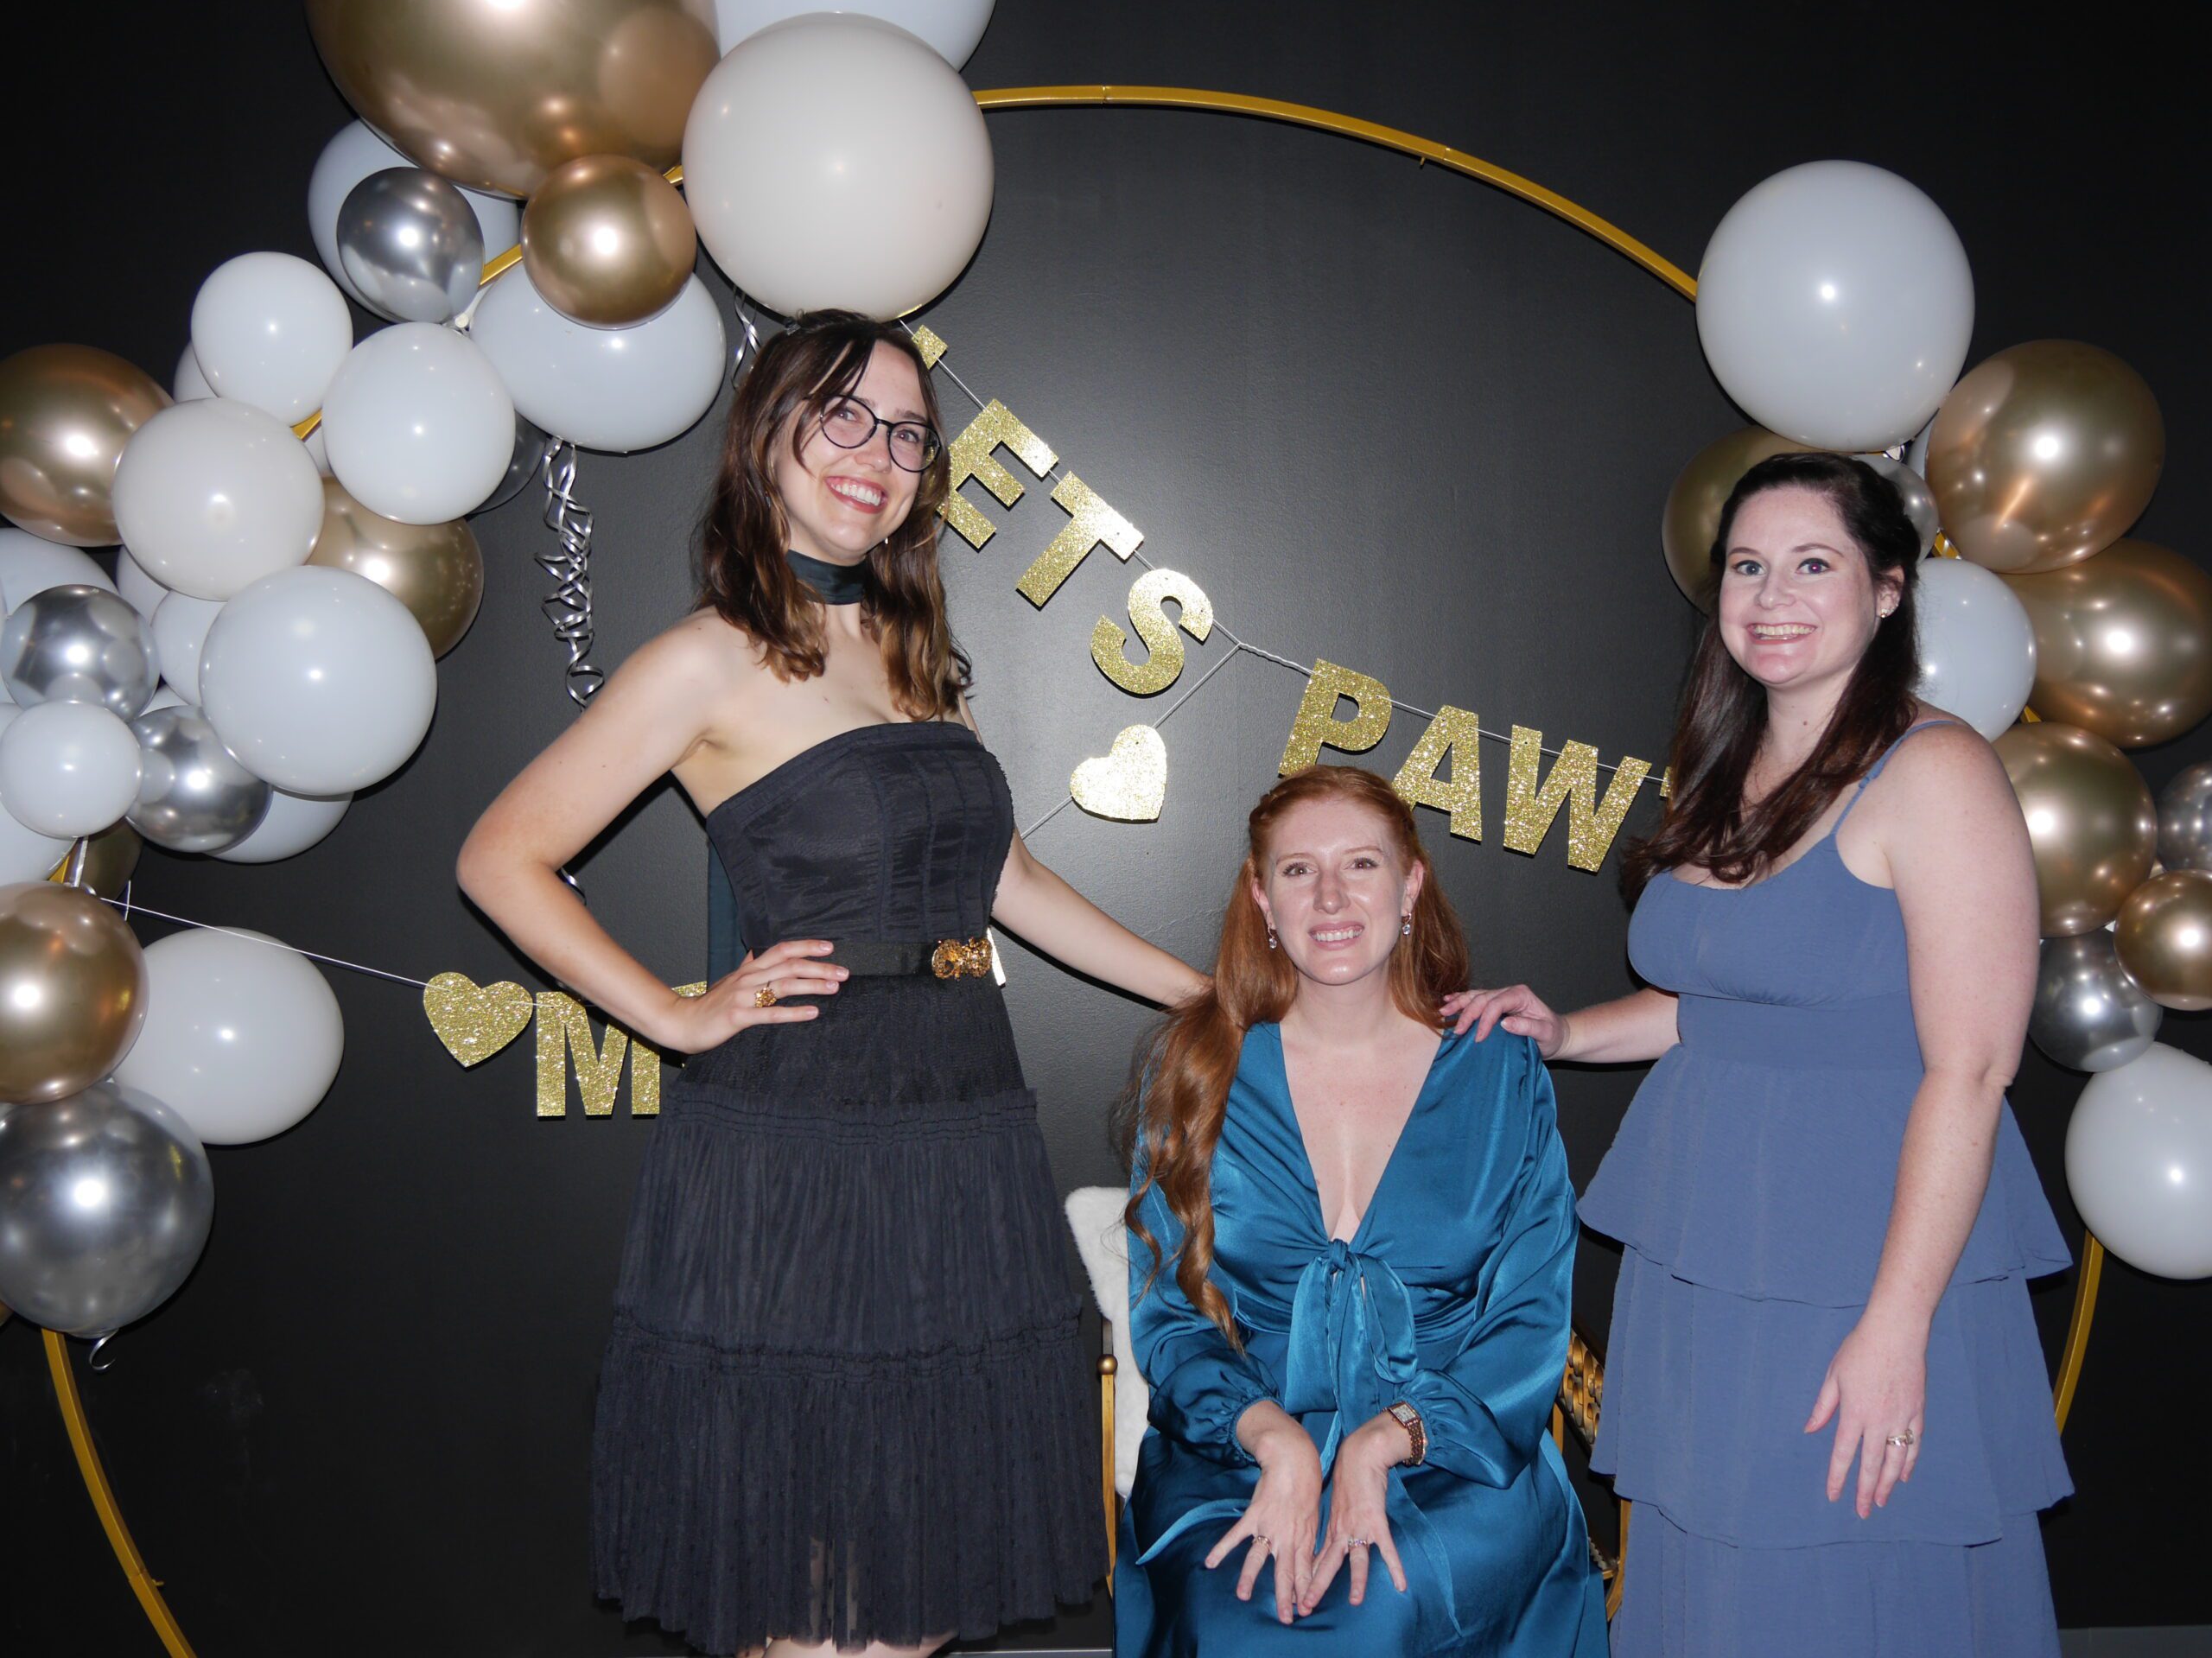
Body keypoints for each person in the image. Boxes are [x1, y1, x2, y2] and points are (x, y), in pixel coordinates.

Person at [457, 311, 1206, 1658]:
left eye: (907, 432)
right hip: (801, 1134)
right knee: (816, 1581)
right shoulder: (706, 656)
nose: (878, 453)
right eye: (845, 416)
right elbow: (500, 857)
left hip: (958, 1118)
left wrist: (1205, 993)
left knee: (918, 1569)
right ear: (770, 440)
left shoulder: (914, 655)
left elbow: (1010, 885)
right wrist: (677, 1015)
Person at [1452, 452, 2072, 1655]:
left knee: (1851, 1562)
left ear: (1887, 590)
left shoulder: (1937, 772)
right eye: (1747, 566)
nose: (1771, 596)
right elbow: (1720, 1008)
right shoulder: (1731, 766)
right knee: (1719, 1559)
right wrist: (1568, 1031)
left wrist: (1897, 1325)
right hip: (1715, 1242)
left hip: (1861, 1249)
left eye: (1811, 565)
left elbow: (1972, 1071)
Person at [1113, 765, 1607, 1656]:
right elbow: (1171, 1319)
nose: (1331, 897)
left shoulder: (1499, 1072)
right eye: (1299, 870)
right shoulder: (1193, 1068)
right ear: (1261, 897)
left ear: (1411, 885)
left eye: (1362, 865)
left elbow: (1528, 1321)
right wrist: (1277, 1443)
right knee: (1238, 1615)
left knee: (1379, 1608)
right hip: (1240, 1446)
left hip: (1453, 1452)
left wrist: (1384, 1442)